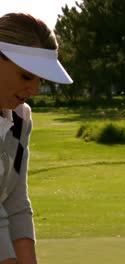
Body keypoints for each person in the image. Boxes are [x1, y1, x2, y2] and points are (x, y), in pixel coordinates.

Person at [0, 13, 72, 263]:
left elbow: (15, 202)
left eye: (39, 79)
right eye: (26, 76)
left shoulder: (21, 118)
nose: (35, 90)